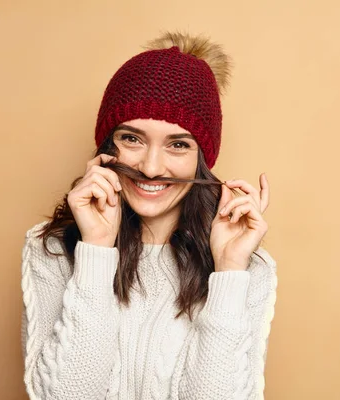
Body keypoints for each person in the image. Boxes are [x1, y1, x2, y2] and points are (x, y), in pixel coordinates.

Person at [20, 31, 278, 400]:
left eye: (178, 144)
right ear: (107, 146)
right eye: (132, 139)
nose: (152, 167)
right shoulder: (54, 249)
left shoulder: (247, 268)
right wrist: (96, 249)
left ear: (201, 159)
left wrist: (229, 271)